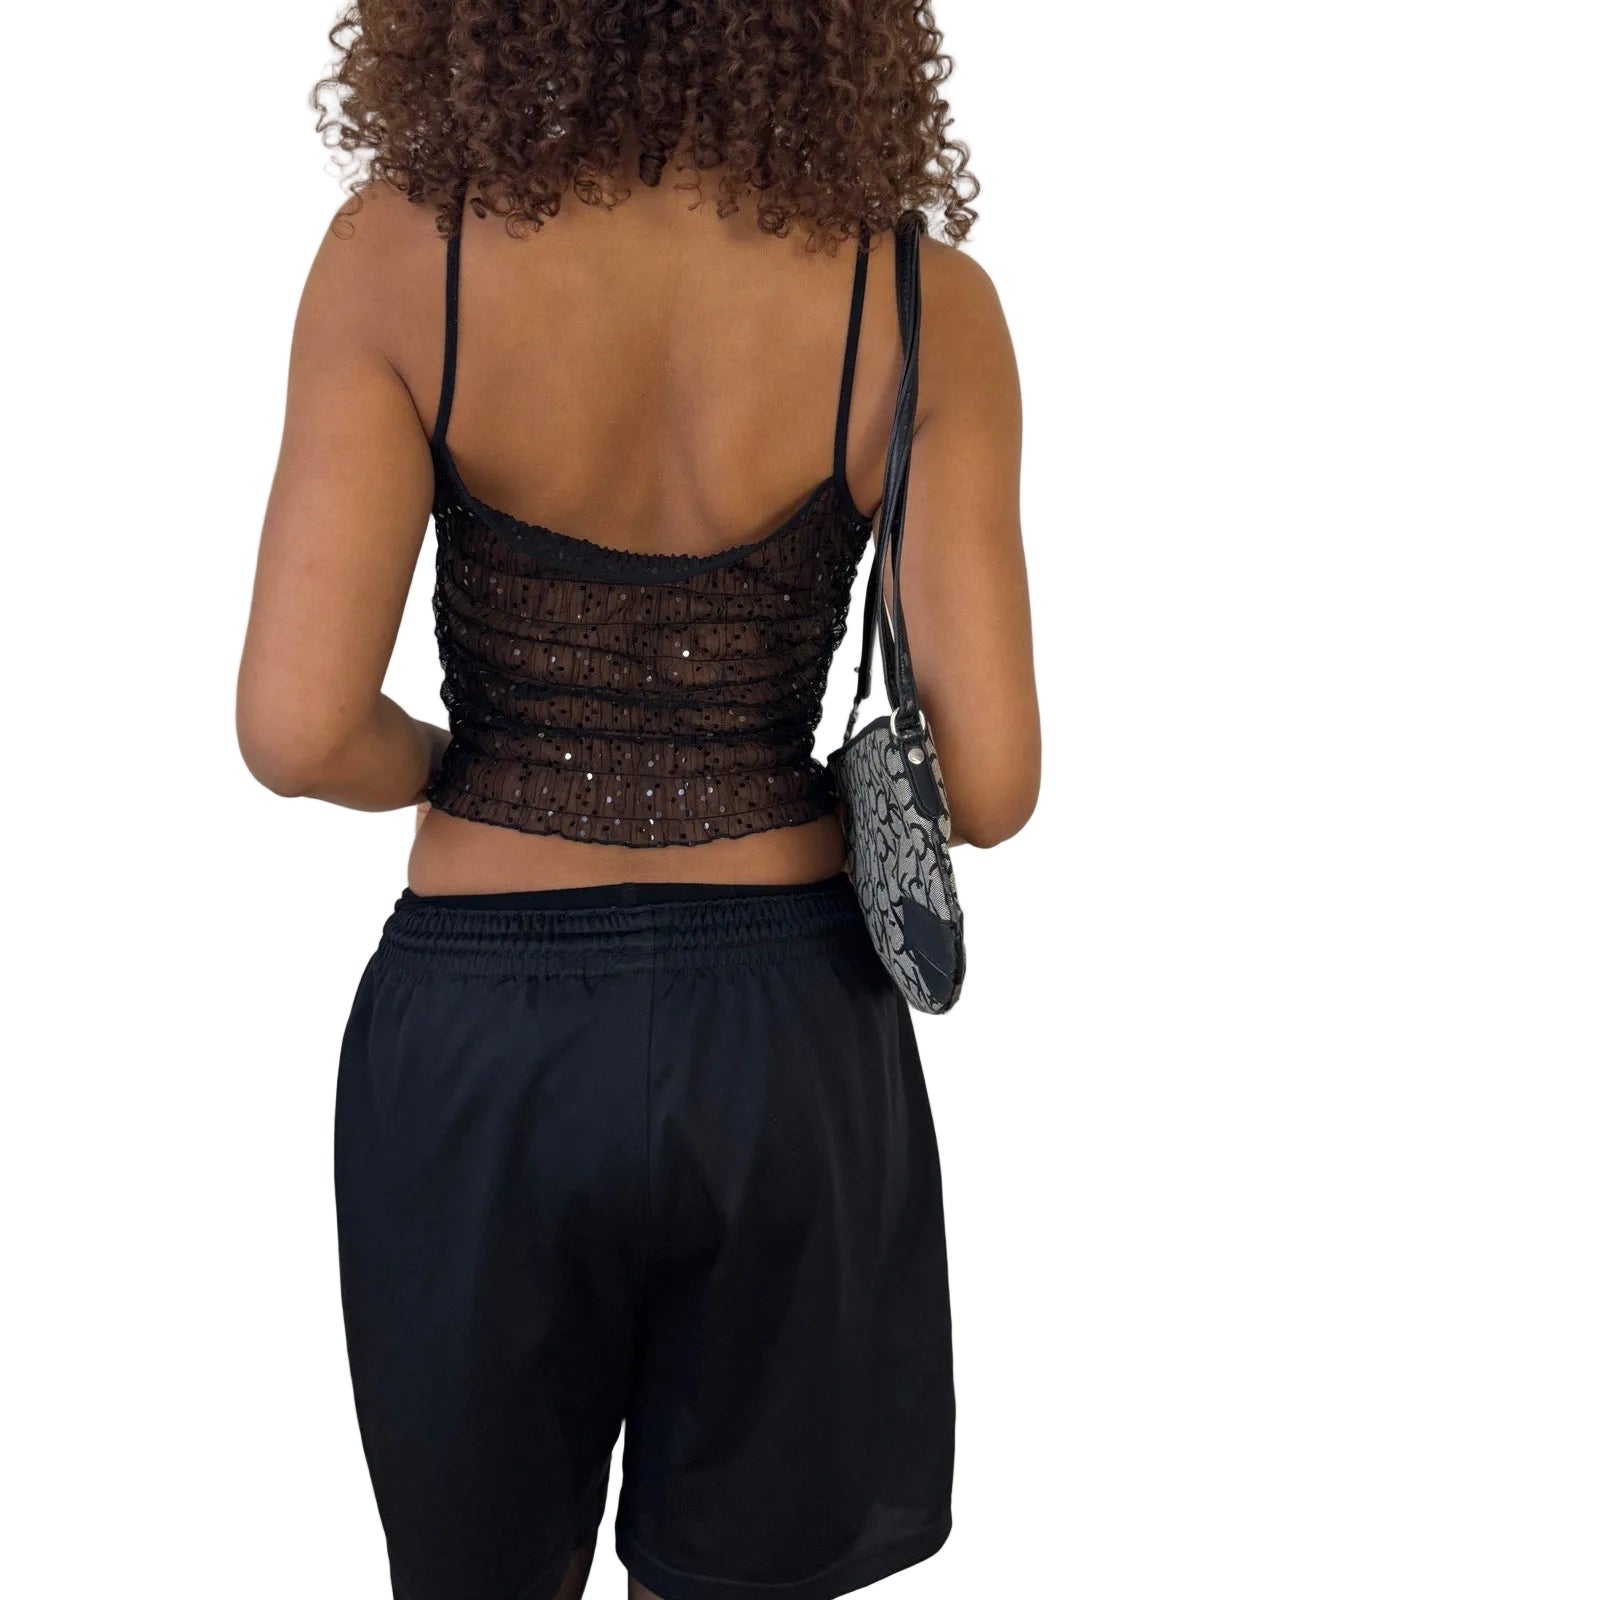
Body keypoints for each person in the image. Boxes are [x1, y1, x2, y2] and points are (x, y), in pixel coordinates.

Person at [237, 5, 1039, 1597]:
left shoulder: (403, 257)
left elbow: (297, 729)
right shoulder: (918, 298)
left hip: (483, 1045)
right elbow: (997, 783)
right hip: (790, 1041)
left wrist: (456, 768)